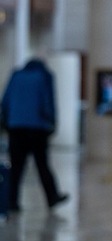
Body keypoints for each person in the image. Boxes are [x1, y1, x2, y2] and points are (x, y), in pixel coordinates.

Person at [0, 55, 68, 212]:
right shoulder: (44, 76)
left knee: (16, 167)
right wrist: (52, 122)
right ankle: (52, 197)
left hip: (16, 128)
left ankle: (12, 202)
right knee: (42, 164)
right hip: (37, 128)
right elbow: (47, 101)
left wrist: (7, 122)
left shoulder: (16, 76)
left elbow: (5, 101)